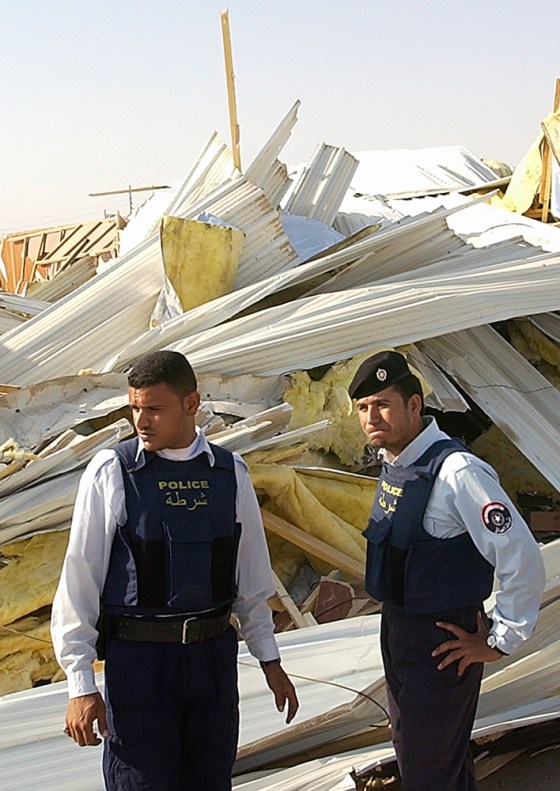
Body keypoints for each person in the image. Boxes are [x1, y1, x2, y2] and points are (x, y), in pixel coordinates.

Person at [51, 350, 299, 791]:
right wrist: (80, 684)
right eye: (134, 408)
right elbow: (79, 583)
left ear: (191, 404)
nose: (140, 421)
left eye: (153, 409)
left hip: (211, 663)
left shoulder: (229, 473)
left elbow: (251, 581)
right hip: (141, 667)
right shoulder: (112, 472)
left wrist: (270, 659)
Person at [347, 350, 545, 791]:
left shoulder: (457, 472)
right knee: (435, 765)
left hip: (441, 642)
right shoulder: (397, 465)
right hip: (400, 631)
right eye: (363, 408)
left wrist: (499, 640)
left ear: (414, 404)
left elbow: (520, 556)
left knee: (427, 772)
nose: (370, 417)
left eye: (382, 404)